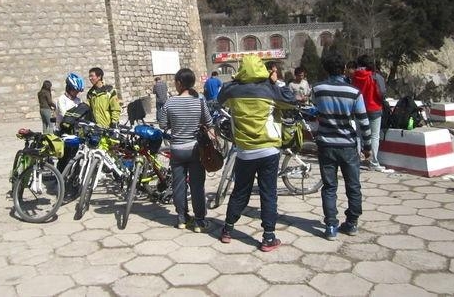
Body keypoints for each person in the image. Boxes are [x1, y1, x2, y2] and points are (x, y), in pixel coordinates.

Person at [217, 55, 297, 252]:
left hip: (244, 151)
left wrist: (236, 79)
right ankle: (268, 237)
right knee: (268, 193)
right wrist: (276, 81)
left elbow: (219, 98)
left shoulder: (232, 90)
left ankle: (227, 230)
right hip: (269, 150)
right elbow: (291, 100)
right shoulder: (270, 89)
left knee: (240, 191)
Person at [311, 53, 371, 240]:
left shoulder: (318, 89)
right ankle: (352, 223)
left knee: (329, 186)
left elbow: (315, 110)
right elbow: (363, 121)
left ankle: (330, 226)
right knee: (353, 185)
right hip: (348, 145)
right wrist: (367, 146)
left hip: (326, 144)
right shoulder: (354, 92)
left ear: (326, 69)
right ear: (344, 68)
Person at [159, 68, 212, 232]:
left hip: (177, 149)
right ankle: (199, 222)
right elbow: (209, 121)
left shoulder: (170, 102)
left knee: (179, 185)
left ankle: (182, 219)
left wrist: (175, 124)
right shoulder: (200, 100)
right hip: (195, 149)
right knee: (197, 185)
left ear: (179, 83)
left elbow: (162, 124)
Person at [352, 54, 388, 172]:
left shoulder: (355, 76)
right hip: (374, 107)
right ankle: (374, 162)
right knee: (374, 136)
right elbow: (382, 93)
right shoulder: (375, 76)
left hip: (359, 109)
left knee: (358, 135)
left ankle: (357, 160)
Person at [55, 73, 84, 173]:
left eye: (78, 91)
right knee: (64, 158)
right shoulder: (61, 100)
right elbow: (65, 115)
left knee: (76, 157)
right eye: (75, 90)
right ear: (69, 88)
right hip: (63, 131)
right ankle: (60, 177)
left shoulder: (78, 100)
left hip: (75, 132)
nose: (76, 93)